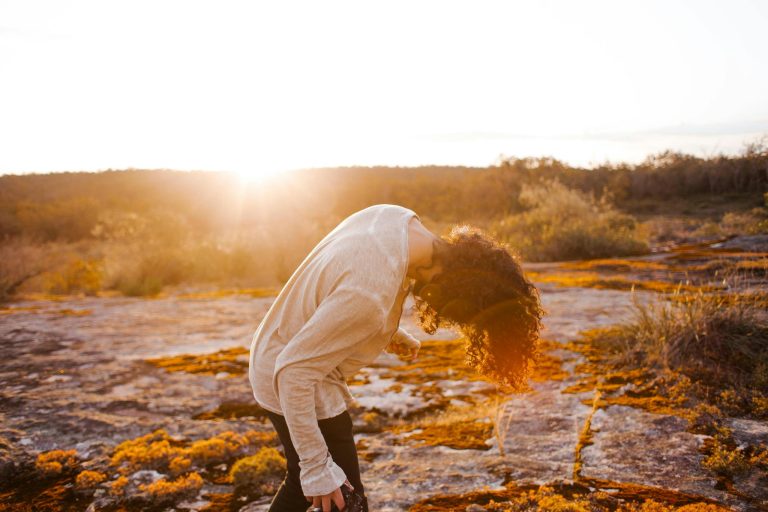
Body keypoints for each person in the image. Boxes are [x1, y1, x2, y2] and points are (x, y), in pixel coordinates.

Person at [248, 203, 543, 512]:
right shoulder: (369, 296)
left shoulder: (396, 217)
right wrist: (316, 466)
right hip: (289, 377)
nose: (431, 304)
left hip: (276, 346)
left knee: (308, 483)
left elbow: (346, 279)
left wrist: (386, 331)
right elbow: (294, 372)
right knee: (339, 497)